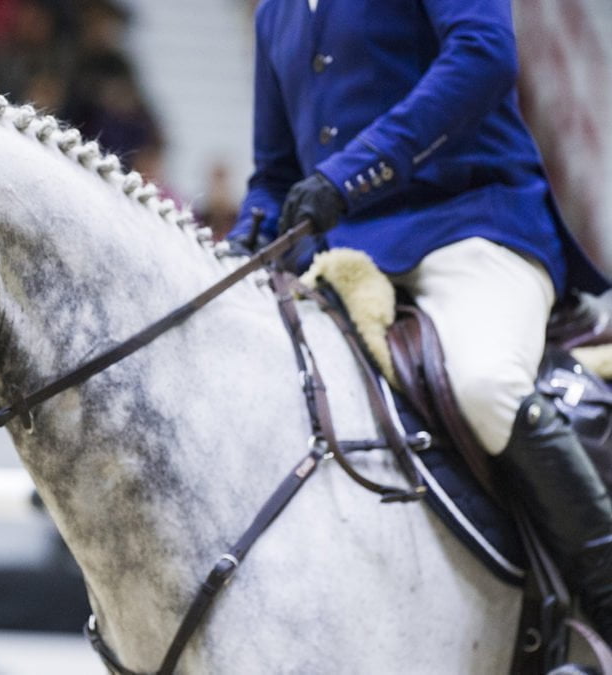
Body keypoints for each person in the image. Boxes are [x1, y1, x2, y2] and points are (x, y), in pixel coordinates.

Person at [227, 0, 612, 642]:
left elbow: (484, 55)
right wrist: (244, 239)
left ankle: (601, 596)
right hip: (346, 255)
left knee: (485, 383)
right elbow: (275, 174)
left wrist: (353, 174)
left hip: (471, 223)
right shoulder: (276, 13)